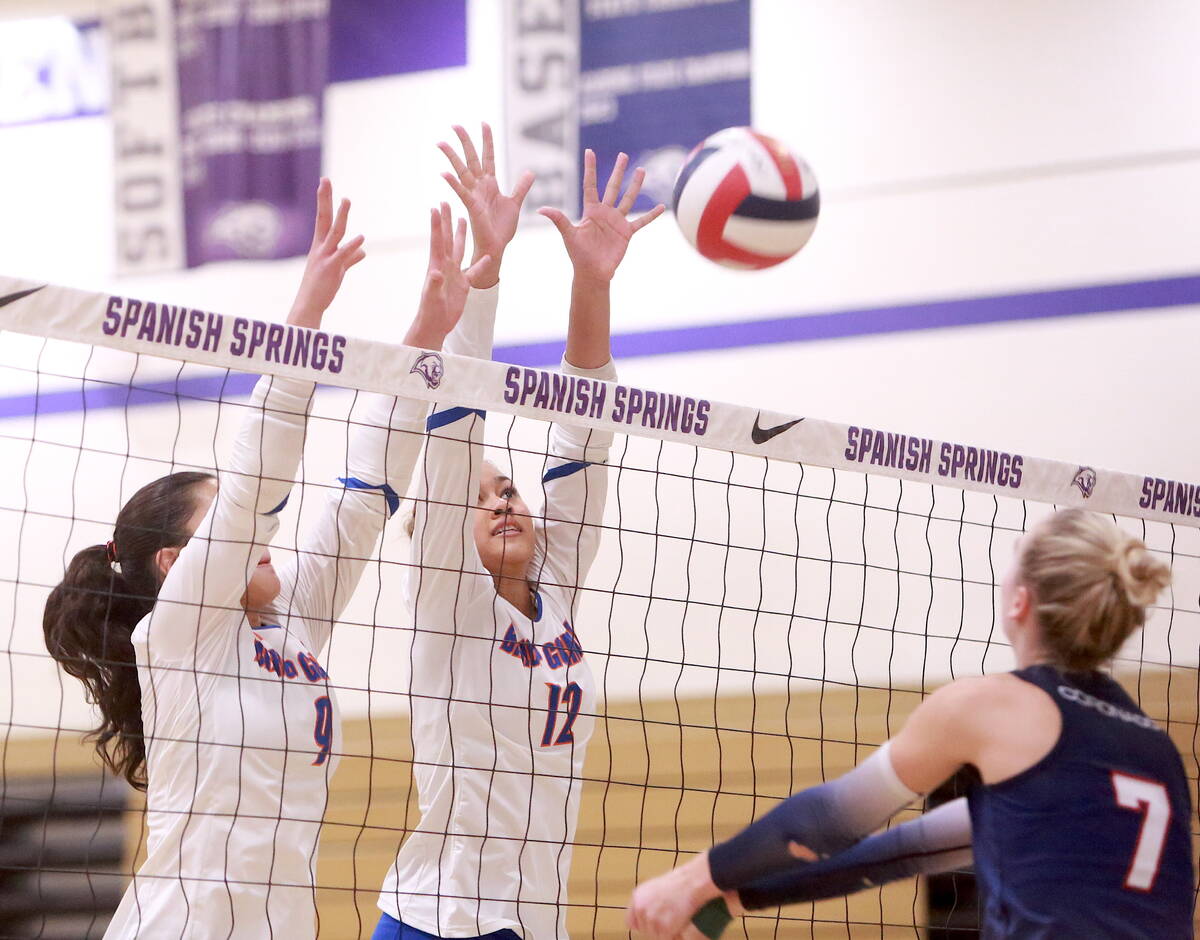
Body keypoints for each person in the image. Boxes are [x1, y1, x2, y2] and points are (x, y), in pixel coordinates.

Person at [43, 181, 488, 939]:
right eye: (227, 529)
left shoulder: (291, 618)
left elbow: (363, 497)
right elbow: (257, 489)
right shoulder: (179, 635)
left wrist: (424, 337)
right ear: (178, 563)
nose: (265, 539)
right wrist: (305, 319)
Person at [626, 508, 1194, 939]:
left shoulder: (992, 706)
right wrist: (734, 898)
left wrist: (689, 880)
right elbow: (903, 851)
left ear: (1019, 603)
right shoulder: (1155, 748)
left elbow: (827, 822)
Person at [374, 126, 665, 939]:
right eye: (483, 499)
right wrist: (487, 271)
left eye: (510, 490)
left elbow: (584, 431)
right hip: (438, 922)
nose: (504, 504)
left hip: (536, 922)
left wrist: (592, 281)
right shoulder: (447, 594)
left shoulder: (558, 584)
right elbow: (455, 419)